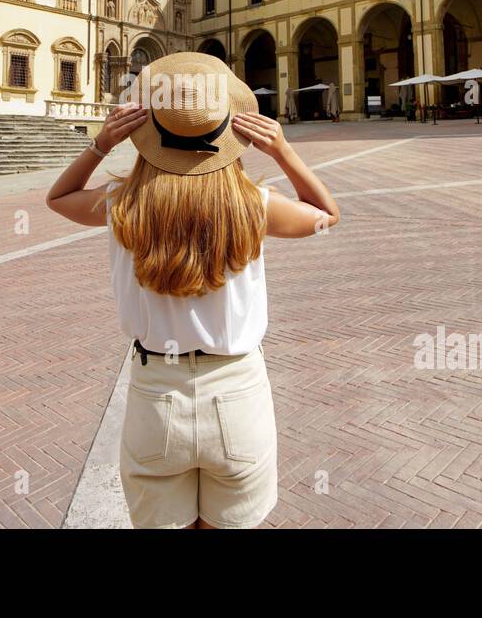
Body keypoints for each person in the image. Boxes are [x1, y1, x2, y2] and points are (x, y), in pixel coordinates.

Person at [46, 52, 339, 529]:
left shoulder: (122, 204)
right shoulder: (255, 205)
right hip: (238, 393)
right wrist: (282, 150)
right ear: (227, 131)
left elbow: (57, 198)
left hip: (156, 397)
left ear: (146, 134)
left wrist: (100, 145)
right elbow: (327, 214)